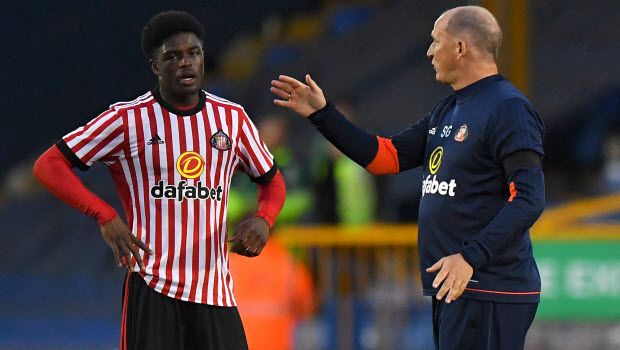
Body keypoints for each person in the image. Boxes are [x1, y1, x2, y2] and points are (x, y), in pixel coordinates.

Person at [271, 5, 544, 350]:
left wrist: (471, 257)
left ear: (460, 48)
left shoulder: (508, 108)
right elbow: (386, 157)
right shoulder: (449, 109)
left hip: (487, 286)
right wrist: (323, 115)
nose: (429, 51)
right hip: (455, 285)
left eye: (436, 41)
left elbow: (529, 198)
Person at [33, 11, 286, 350]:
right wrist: (104, 215)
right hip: (154, 288)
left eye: (193, 53)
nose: (186, 63)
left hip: (215, 290)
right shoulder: (127, 119)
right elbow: (48, 165)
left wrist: (264, 219)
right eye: (173, 56)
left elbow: (272, 181)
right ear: (155, 66)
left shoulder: (232, 118)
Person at [229, 235, 315, 350]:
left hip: (237, 343)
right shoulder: (289, 263)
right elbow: (307, 307)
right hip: (277, 344)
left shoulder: (229, 264)